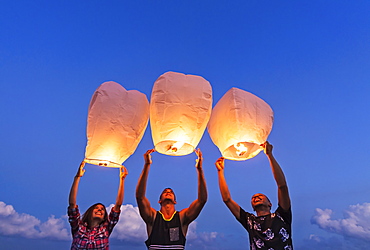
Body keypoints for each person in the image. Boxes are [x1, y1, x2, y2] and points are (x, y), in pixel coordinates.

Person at [215, 142, 293, 250]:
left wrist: (270, 155)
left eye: (260, 196)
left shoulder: (282, 215)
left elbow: (282, 186)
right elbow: (227, 199)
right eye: (253, 198)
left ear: (270, 204)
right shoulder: (249, 221)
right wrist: (220, 172)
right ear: (252, 207)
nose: (255, 197)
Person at [136, 148, 207, 250]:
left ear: (175, 201)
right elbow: (140, 197)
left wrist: (200, 169)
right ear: (159, 201)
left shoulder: (182, 218)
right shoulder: (153, 217)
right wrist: (147, 165)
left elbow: (202, 200)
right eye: (165, 192)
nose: (168, 192)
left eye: (171, 192)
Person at [68, 161, 128, 250]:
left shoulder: (106, 228)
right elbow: (72, 204)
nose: (100, 210)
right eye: (96, 208)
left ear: (104, 216)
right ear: (90, 212)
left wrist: (122, 180)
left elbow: (118, 205)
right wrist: (77, 177)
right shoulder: (78, 227)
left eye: (102, 209)